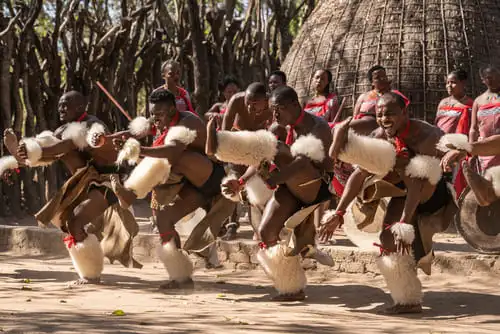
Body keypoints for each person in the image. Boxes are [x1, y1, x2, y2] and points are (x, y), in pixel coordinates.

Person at [322, 92, 454, 314]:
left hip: (434, 190)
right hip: (403, 190)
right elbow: (360, 174)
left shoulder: (427, 136)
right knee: (386, 239)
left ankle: (410, 293)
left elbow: (417, 183)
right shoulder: (379, 135)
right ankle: (407, 300)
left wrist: (404, 224)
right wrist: (339, 212)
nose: (384, 119)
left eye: (390, 113)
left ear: (405, 112)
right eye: (379, 114)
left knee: (408, 165)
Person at [208, 86, 335, 301]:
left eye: (280, 109)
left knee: (279, 148)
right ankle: (291, 288)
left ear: (295, 105)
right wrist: (241, 182)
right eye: (273, 109)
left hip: (315, 186)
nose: (275, 115)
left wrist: (276, 178)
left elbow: (302, 162)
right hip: (288, 186)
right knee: (266, 232)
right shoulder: (278, 128)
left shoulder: (317, 127)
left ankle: (306, 246)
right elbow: (261, 159)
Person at [0, 91, 141, 285]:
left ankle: (91, 276)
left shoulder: (93, 125)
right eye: (60, 104)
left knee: (75, 222)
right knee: (69, 222)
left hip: (109, 182)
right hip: (86, 182)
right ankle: (90, 273)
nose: (61, 108)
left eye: (66, 105)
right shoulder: (63, 129)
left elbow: (62, 147)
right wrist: (13, 164)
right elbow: (47, 152)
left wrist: (25, 150)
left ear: (80, 107)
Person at [110, 89, 235, 287]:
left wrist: (139, 150)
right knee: (163, 220)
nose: (154, 119)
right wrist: (108, 139)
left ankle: (131, 193)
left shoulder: (188, 122)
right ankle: (181, 276)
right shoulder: (161, 121)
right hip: (189, 186)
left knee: (175, 158)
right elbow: (133, 133)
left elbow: (172, 151)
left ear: (171, 110)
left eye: (158, 114)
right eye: (152, 114)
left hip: (210, 179)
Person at [434, 69, 473, 199]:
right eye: (447, 83)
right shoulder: (443, 102)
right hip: (440, 147)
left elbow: (470, 130)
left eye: (453, 82)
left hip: (457, 150)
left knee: (455, 183)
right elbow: (437, 124)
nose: (449, 86)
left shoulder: (469, 104)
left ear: (463, 83)